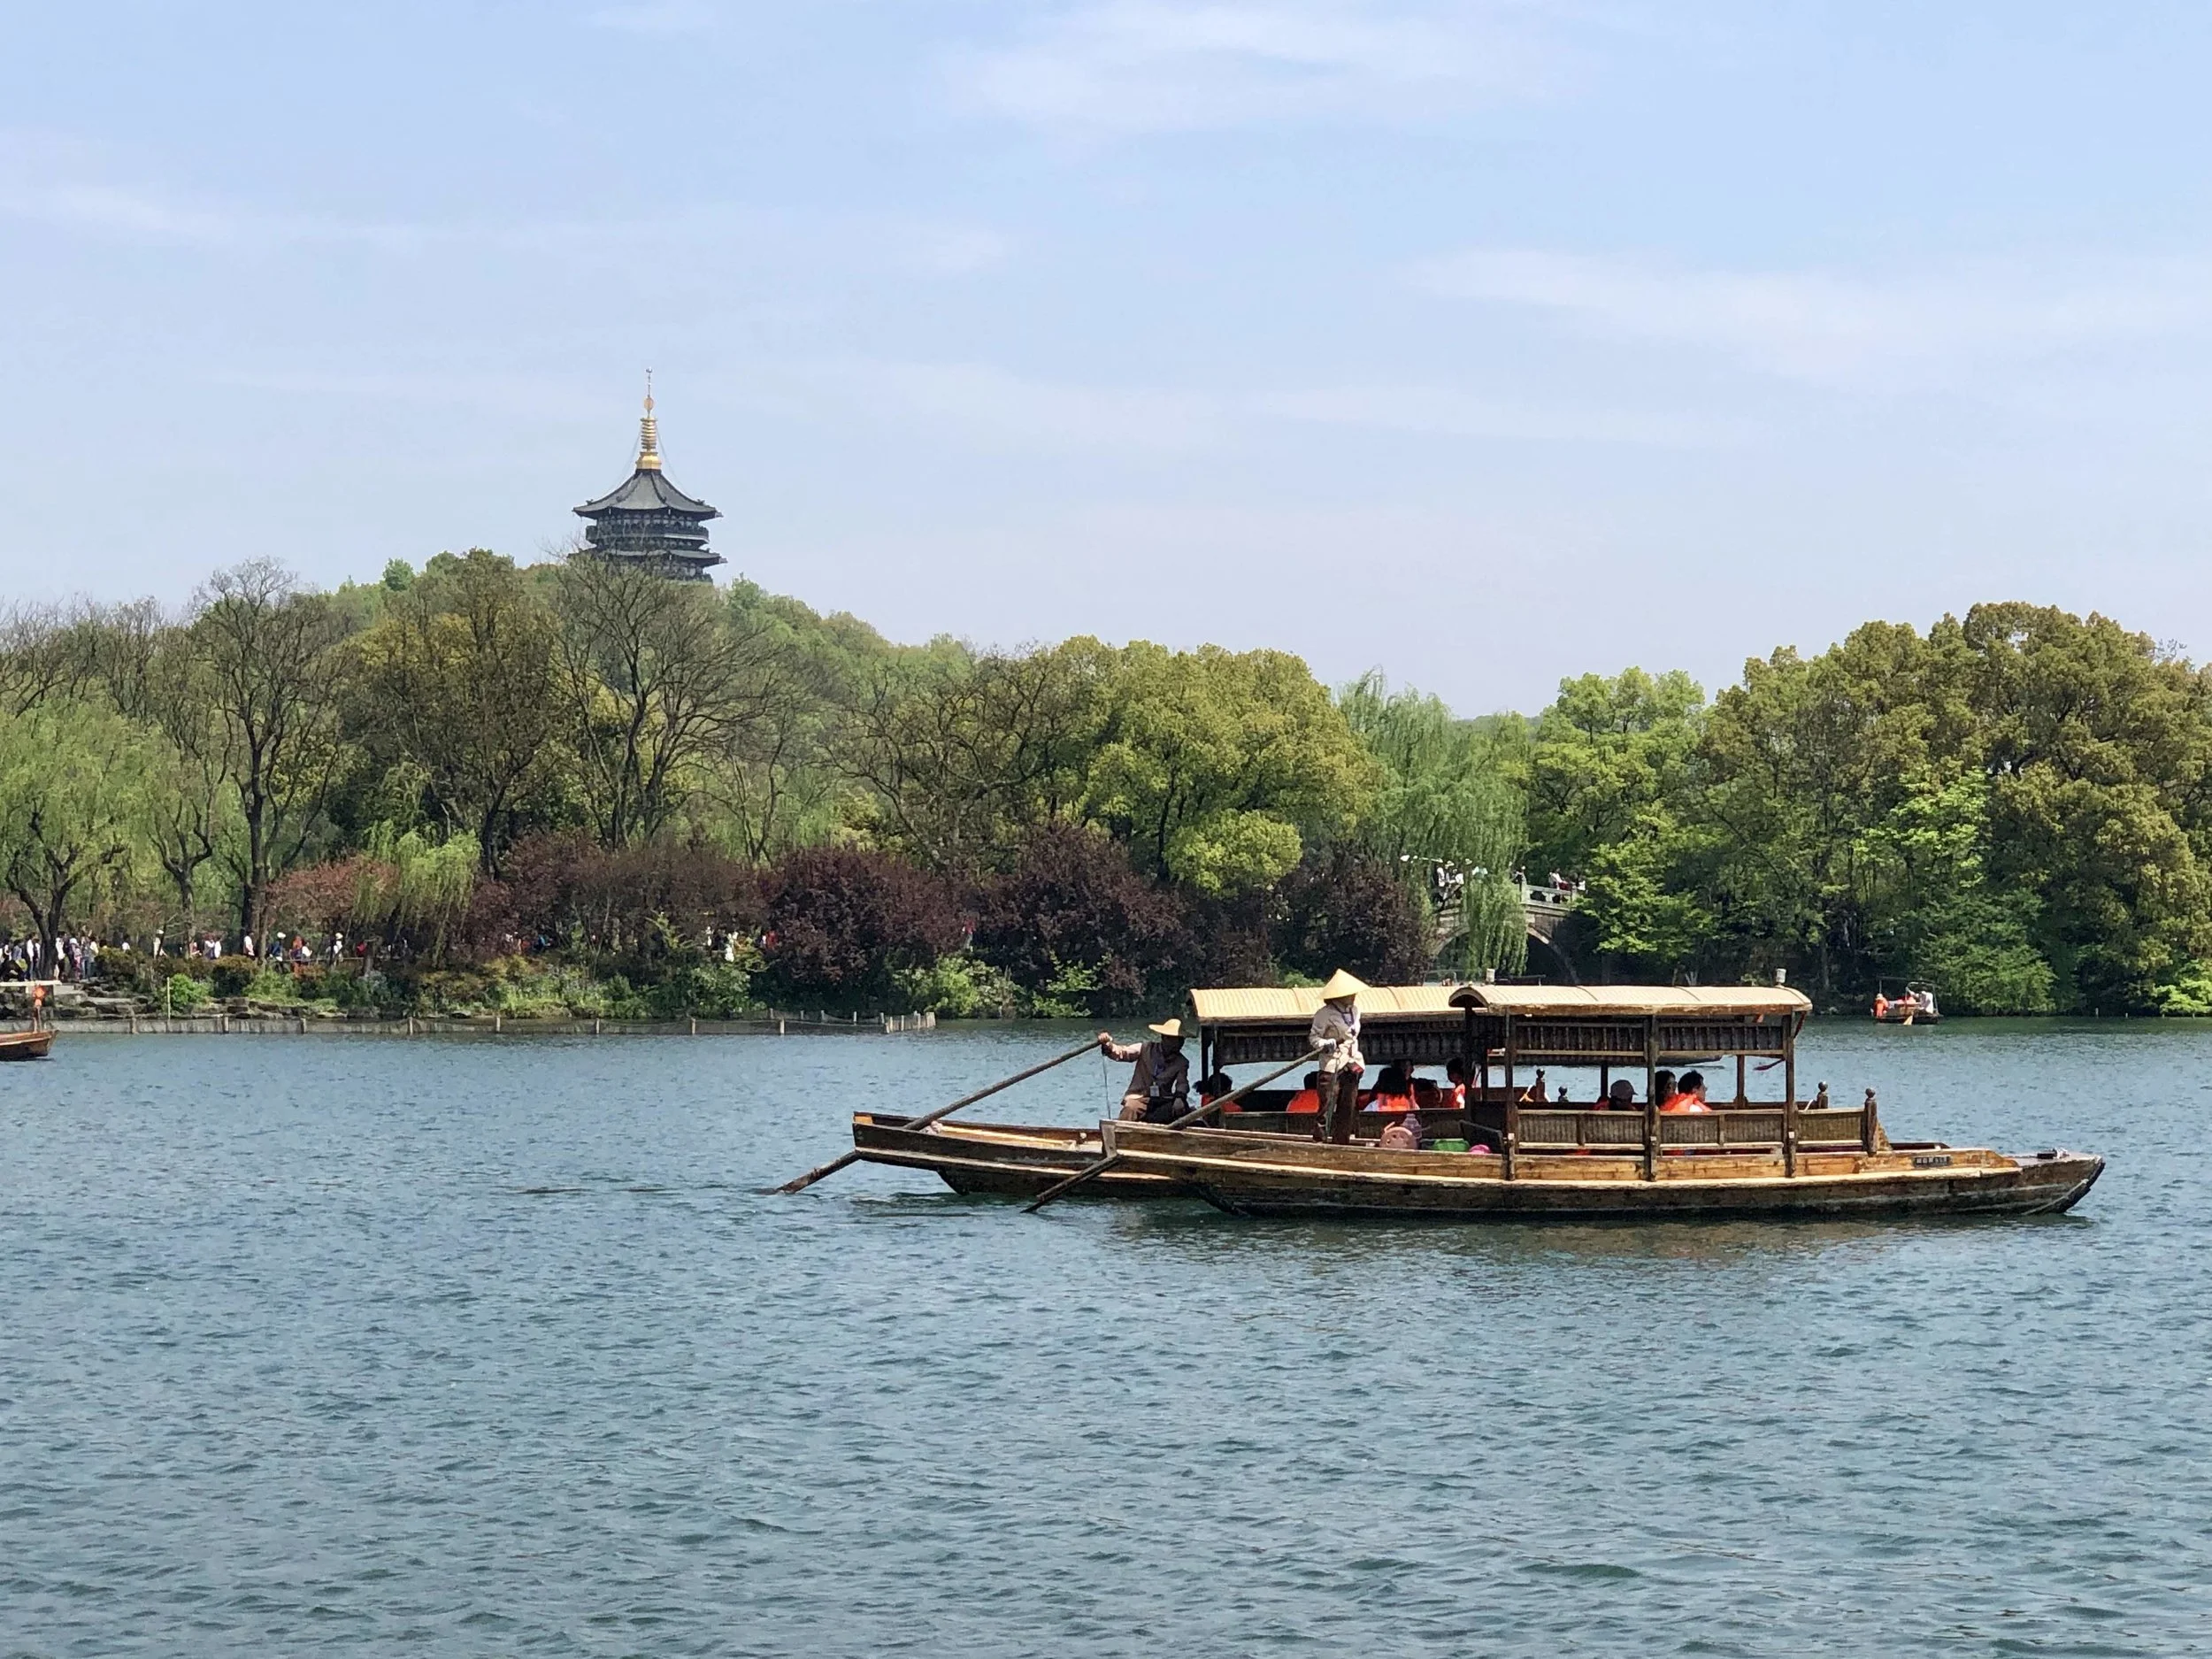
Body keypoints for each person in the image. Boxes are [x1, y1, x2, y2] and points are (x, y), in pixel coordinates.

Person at [1308, 970, 1366, 1144]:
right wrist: (1326, 1043)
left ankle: (1342, 1141)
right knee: (1327, 1104)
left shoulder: (1356, 1011)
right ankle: (1321, 1140)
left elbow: (1353, 1036)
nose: (1353, 996)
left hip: (1352, 1061)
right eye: (1350, 994)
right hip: (1332, 1063)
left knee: (1348, 1105)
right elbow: (1314, 1038)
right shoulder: (1324, 1014)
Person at [1099, 1018, 1191, 1123]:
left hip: (1162, 1100)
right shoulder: (1145, 1048)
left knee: (1181, 1109)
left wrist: (1180, 1098)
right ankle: (1119, 1136)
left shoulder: (1181, 1062)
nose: (1180, 1043)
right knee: (1130, 1108)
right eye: (1177, 1040)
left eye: (1181, 1040)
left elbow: (1182, 1084)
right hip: (1139, 1098)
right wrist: (1108, 1045)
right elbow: (1122, 1052)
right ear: (1164, 1038)